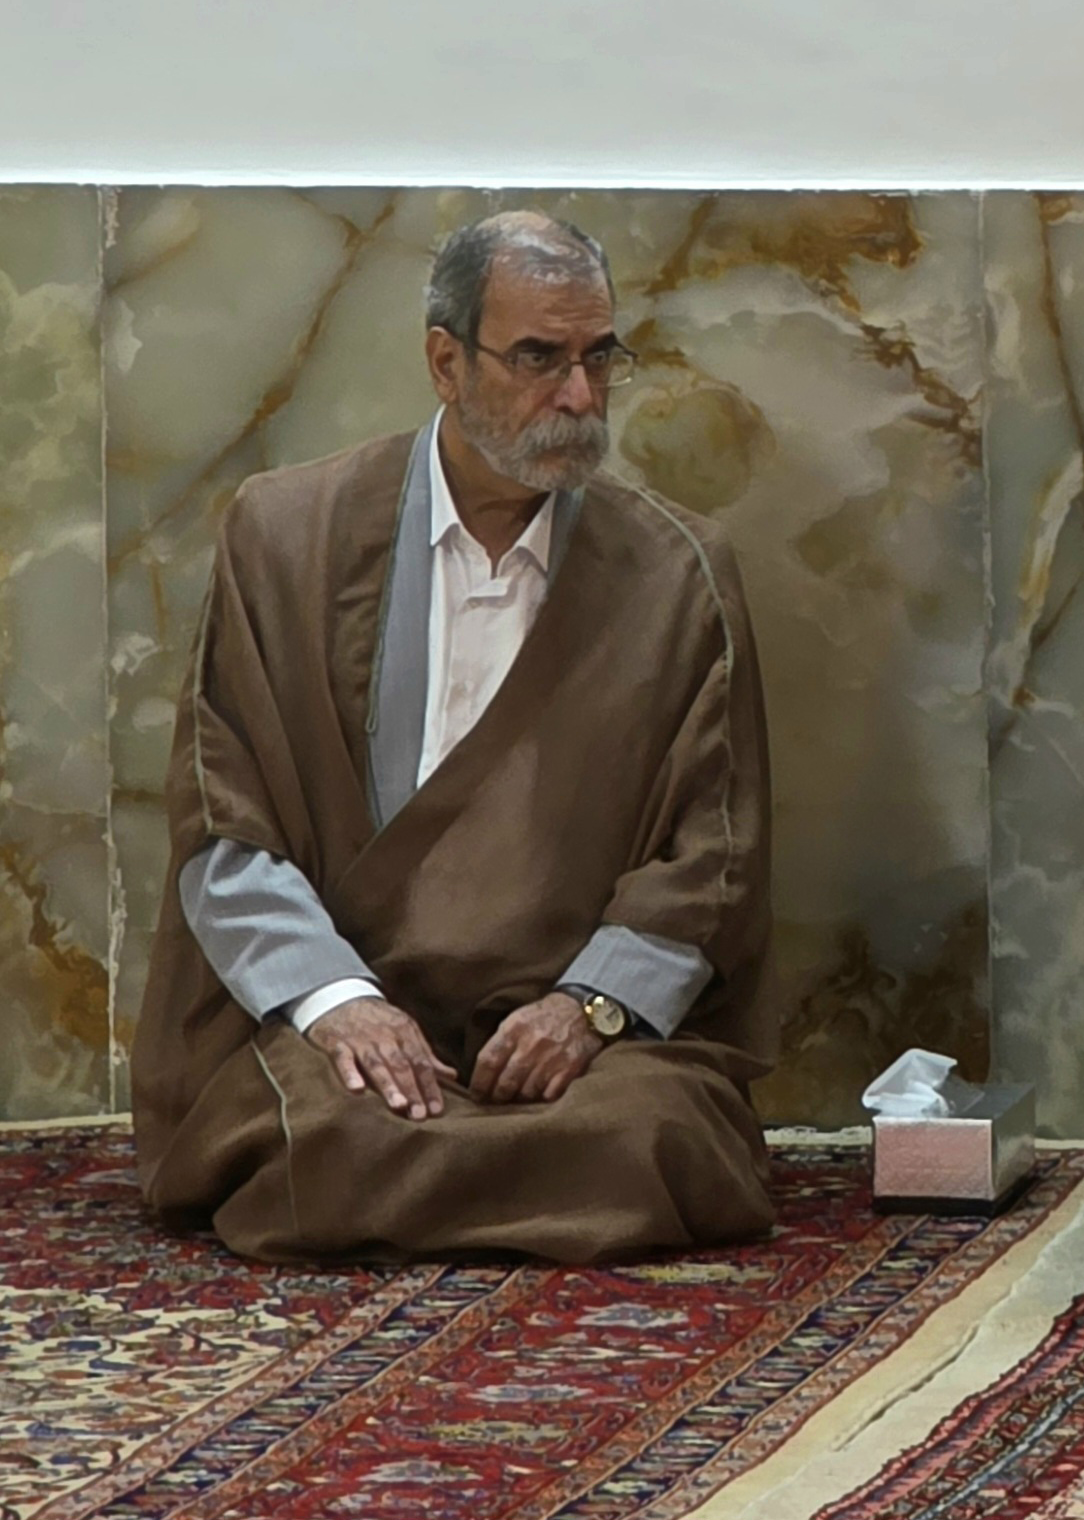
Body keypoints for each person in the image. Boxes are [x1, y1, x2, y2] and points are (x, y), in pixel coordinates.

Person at [133, 211, 776, 1262]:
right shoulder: (284, 536)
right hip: (345, 1020)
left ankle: (462, 1170)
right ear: (446, 361)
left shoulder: (677, 574)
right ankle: (474, 1170)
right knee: (322, 1134)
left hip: (563, 1043)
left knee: (648, 1133)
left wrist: (590, 1009)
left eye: (598, 358)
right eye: (539, 358)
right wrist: (338, 1003)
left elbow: (713, 855)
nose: (580, 397)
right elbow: (223, 824)